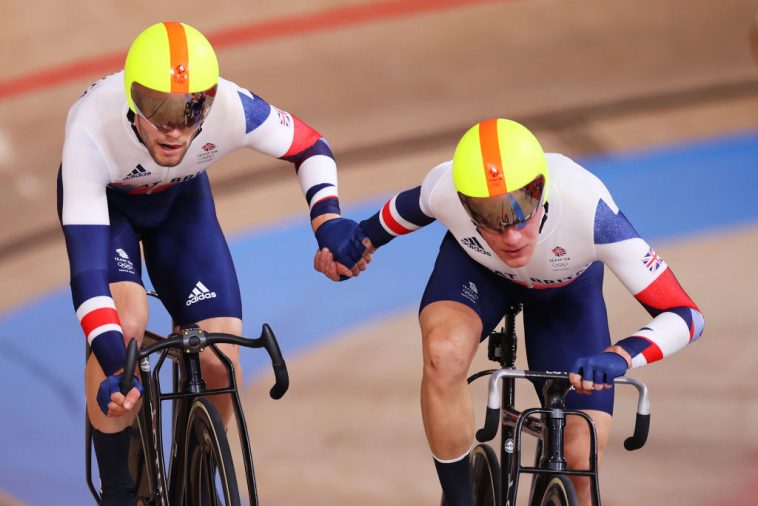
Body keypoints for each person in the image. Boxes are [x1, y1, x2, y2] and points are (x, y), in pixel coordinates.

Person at [314, 118, 704, 505]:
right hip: (479, 273)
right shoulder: (445, 188)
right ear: (465, 203)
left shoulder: (590, 211)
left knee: (581, 455)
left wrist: (621, 355)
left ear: (543, 187)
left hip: (566, 298)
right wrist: (354, 245)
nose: (512, 236)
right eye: (489, 217)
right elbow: (400, 213)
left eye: (523, 208)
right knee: (443, 354)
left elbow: (686, 315)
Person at [58, 21, 367, 505]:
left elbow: (311, 146)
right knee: (128, 321)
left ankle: (200, 467)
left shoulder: (232, 107)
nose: (175, 129)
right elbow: (87, 275)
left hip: (181, 204)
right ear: (133, 99)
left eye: (191, 110)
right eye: (158, 110)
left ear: (209, 100)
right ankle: (119, 486)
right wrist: (115, 357)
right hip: (110, 207)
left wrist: (327, 219)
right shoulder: (88, 129)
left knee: (218, 354)